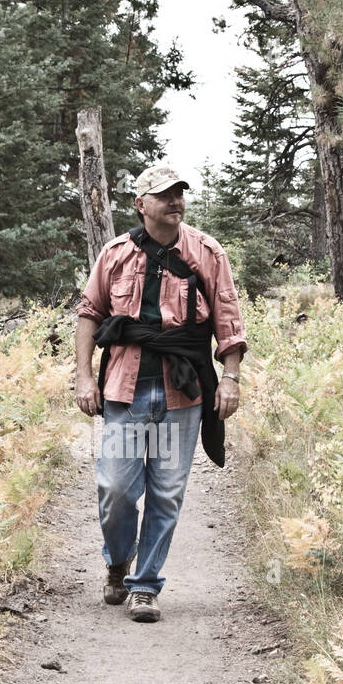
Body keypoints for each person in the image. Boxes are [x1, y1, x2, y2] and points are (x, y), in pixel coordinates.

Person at [74, 162, 248, 622]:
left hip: (181, 390)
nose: (175, 201)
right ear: (141, 204)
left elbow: (228, 321)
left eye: (179, 194)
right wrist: (83, 375)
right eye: (164, 194)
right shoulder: (115, 254)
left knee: (166, 493)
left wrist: (229, 378)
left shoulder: (207, 252)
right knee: (115, 488)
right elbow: (90, 313)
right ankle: (117, 562)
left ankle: (145, 585)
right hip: (125, 388)